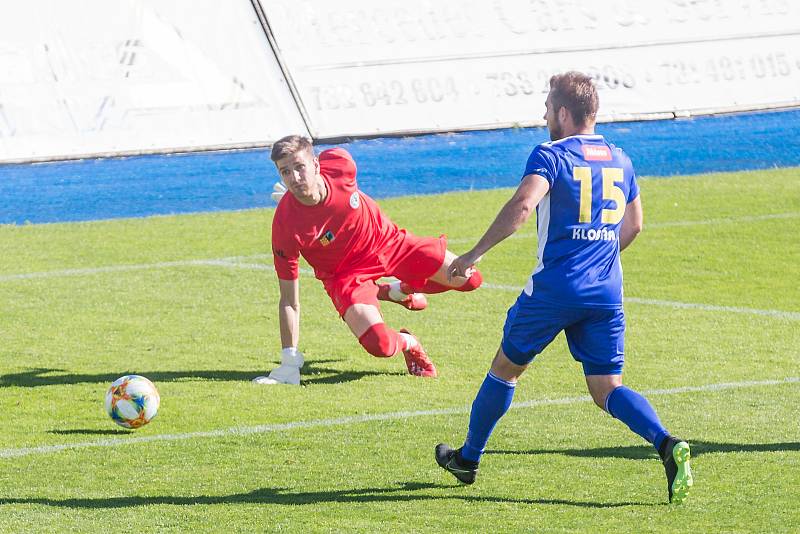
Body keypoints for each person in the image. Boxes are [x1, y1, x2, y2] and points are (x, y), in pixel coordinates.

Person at [434, 72, 693, 504]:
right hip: (606, 291)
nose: (543, 115)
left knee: (505, 368)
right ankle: (666, 443)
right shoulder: (620, 158)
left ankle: (468, 459)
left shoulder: (551, 155)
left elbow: (521, 206)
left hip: (555, 290)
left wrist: (473, 254)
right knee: (607, 388)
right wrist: (600, 256)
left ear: (564, 112)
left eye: (547, 107)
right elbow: (635, 225)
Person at [254, 135, 483, 385]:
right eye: (285, 172)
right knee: (380, 346)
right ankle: (410, 342)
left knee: (469, 280)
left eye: (300, 167)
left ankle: (394, 291)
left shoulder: (341, 164)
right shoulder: (285, 225)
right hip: (346, 276)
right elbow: (289, 300)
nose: (295, 178)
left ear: (317, 165)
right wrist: (289, 360)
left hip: (389, 243)